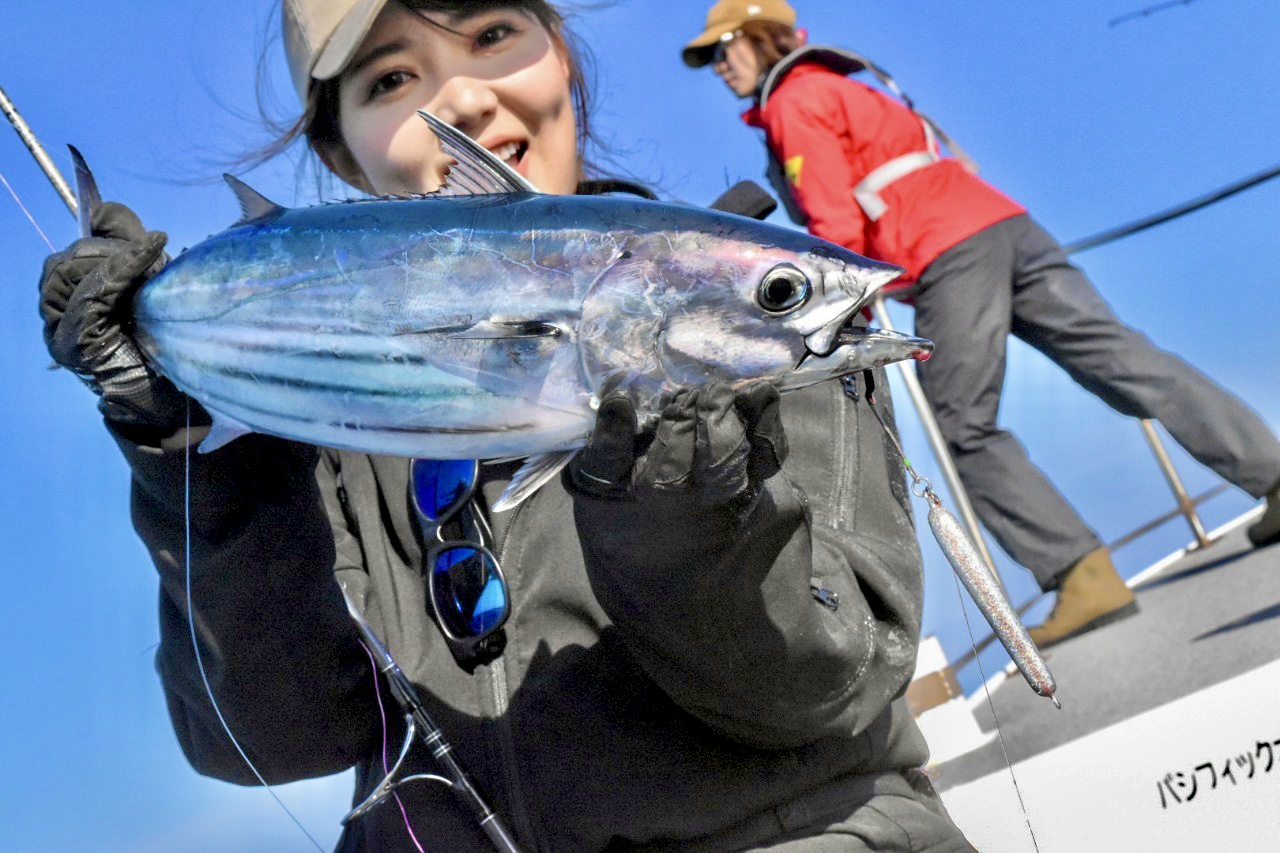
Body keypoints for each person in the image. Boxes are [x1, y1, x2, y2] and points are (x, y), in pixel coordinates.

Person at [37, 1, 976, 850]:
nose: (467, 99)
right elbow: (267, 741)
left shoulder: (745, 326)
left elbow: (823, 689)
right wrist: (189, 452)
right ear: (340, 155)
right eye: (392, 79)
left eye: (491, 35)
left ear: (560, 53)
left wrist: (687, 504)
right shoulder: (319, 427)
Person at [681, 0, 1280, 650]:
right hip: (1000, 223)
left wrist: (831, 315)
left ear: (761, 39)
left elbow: (836, 225)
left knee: (961, 423)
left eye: (724, 49)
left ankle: (1079, 572)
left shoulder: (793, 101)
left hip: (943, 250)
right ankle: (1272, 473)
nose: (718, 67)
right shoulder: (842, 85)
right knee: (1122, 358)